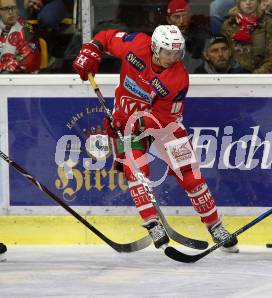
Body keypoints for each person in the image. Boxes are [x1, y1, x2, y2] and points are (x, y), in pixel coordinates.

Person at [72, 24, 238, 253]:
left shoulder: (178, 77)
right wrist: (92, 49)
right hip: (125, 119)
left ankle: (215, 225)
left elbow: (162, 117)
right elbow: (108, 37)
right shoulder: (137, 44)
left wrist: (131, 121)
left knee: (190, 175)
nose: (173, 58)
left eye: (177, 53)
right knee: (136, 170)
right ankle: (152, 223)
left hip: (163, 125)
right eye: (168, 52)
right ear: (155, 48)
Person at [221, 0, 272, 74]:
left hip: (260, 76)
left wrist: (256, 75)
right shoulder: (229, 24)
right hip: (234, 75)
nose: (248, 2)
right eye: (244, 0)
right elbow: (223, 53)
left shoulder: (267, 23)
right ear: (238, 3)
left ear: (258, 2)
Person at [166, 0, 210, 73]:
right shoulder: (161, 39)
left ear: (190, 17)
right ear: (168, 20)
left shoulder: (202, 37)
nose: (181, 21)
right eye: (176, 17)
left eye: (184, 16)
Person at [0, 0, 40, 73]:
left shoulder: (25, 28)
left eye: (13, 8)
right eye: (5, 8)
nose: (10, 12)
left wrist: (8, 64)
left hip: (17, 72)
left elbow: (30, 50)